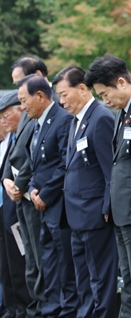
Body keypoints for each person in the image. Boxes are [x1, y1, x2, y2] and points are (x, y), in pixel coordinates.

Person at [85, 55, 131, 318]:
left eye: (105, 94)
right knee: (127, 278)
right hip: (121, 210)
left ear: (121, 82)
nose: (104, 101)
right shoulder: (123, 112)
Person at [53, 66, 118, 317]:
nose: (61, 101)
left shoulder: (100, 117)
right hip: (76, 215)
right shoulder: (76, 120)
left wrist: (106, 207)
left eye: (64, 94)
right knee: (83, 277)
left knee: (100, 278)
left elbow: (108, 169)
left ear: (82, 88)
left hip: (94, 215)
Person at [18, 74, 78, 317]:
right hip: (41, 205)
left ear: (40, 96)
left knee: (65, 265)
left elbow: (65, 162)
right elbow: (36, 164)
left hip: (59, 206)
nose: (22, 107)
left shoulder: (62, 120)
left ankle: (66, 310)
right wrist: (32, 187)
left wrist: (46, 193)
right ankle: (51, 308)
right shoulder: (37, 124)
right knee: (49, 263)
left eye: (24, 101)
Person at [7, 58, 52, 316]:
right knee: (30, 260)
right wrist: (6, 179)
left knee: (40, 257)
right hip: (20, 196)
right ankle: (35, 307)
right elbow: (15, 150)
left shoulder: (48, 107)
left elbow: (34, 156)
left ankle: (43, 308)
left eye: (20, 83)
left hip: (35, 194)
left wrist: (21, 183)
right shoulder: (27, 109)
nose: (18, 94)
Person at [0, 91, 30, 318]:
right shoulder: (9, 139)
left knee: (21, 264)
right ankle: (12, 308)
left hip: (20, 209)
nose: (3, 121)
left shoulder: (25, 135)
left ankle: (23, 308)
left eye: (5, 116)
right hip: (5, 211)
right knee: (7, 265)